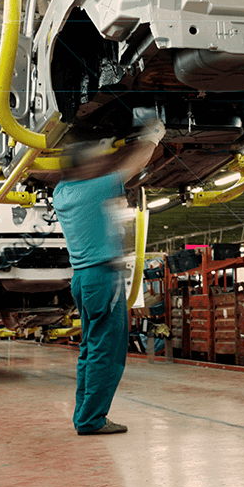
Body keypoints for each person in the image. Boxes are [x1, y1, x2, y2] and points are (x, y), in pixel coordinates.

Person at [53, 115, 165, 436]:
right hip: (103, 278)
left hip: (82, 279)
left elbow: (93, 169)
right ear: (83, 168)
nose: (98, 164)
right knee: (108, 350)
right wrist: (152, 137)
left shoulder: (61, 193)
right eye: (92, 161)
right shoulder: (95, 189)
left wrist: (98, 150)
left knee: (90, 348)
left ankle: (84, 415)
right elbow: (134, 165)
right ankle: (92, 420)